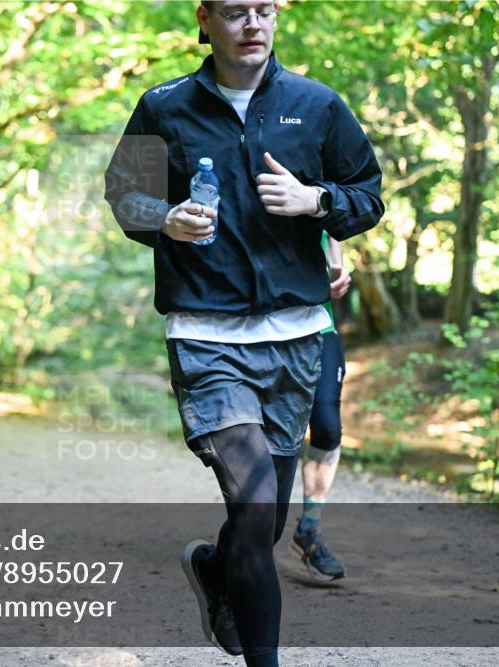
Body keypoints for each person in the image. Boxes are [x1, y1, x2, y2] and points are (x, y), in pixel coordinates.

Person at [103, 1, 384, 664]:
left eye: (265, 10)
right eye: (236, 11)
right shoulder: (164, 106)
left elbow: (366, 194)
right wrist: (165, 217)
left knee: (266, 521)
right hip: (206, 334)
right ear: (205, 20)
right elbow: (124, 197)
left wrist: (317, 201)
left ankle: (215, 567)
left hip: (295, 339)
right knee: (256, 499)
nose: (253, 23)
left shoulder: (317, 106)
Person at [291, 234, 350, 581]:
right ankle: (251, 532)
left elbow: (334, 231)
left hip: (320, 325)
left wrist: (336, 267)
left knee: (327, 428)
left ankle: (309, 528)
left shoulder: (318, 186)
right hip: (262, 331)